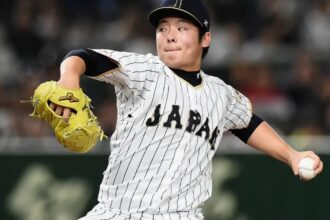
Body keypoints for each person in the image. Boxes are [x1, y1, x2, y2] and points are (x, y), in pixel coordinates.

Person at [50, 0, 323, 219]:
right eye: (162, 29)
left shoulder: (220, 94)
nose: (169, 36)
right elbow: (82, 56)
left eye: (181, 28)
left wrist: (291, 155)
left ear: (205, 39)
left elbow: (248, 124)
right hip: (117, 211)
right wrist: (68, 79)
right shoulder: (144, 70)